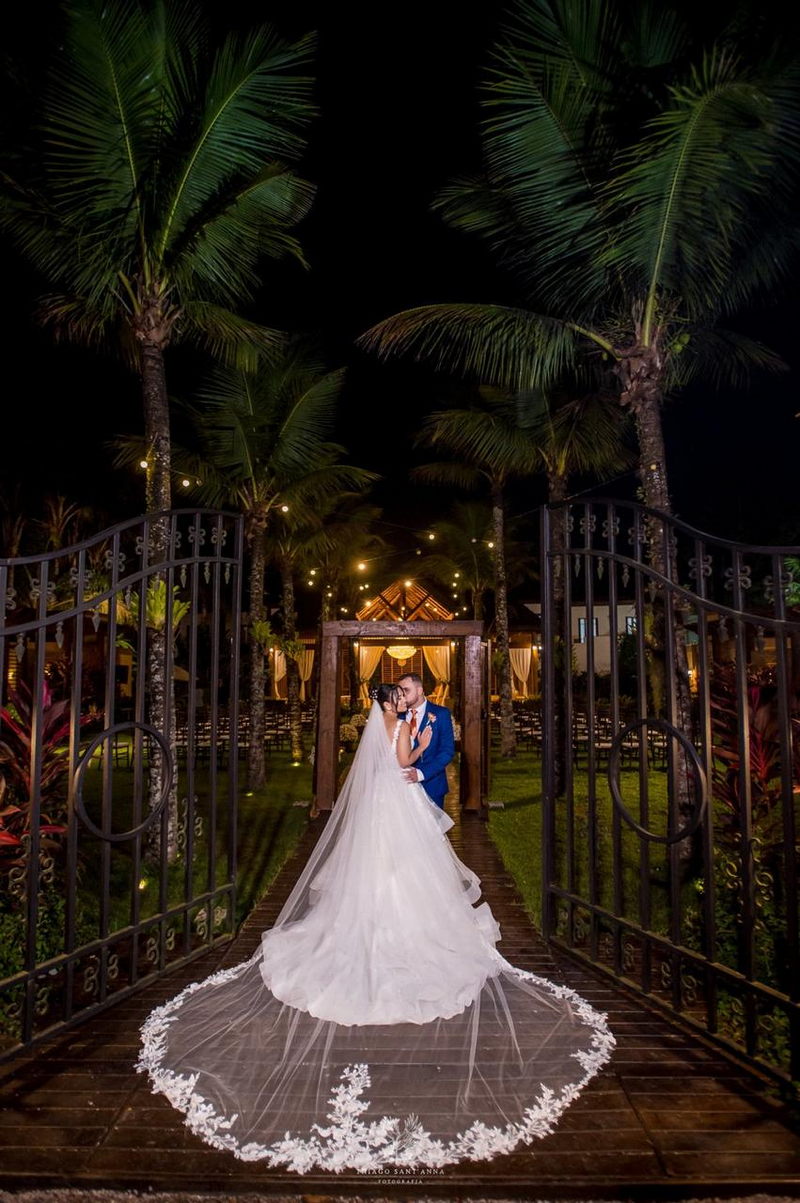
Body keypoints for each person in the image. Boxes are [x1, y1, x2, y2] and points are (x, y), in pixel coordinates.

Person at [137, 685, 614, 1174]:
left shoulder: (375, 725)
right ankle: (406, 924)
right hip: (401, 805)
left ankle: (368, 919)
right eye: (399, 697)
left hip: (378, 808)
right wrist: (420, 744)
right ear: (391, 703)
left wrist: (416, 746)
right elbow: (405, 759)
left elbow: (384, 763)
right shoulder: (401, 725)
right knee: (409, 869)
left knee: (373, 867)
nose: (404, 701)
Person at [396, 671, 454, 809]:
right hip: (401, 786)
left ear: (420, 690)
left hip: (432, 785)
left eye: (406, 690)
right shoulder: (397, 716)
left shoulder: (441, 714)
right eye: (400, 692)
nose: (402, 696)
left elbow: (447, 752)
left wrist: (422, 773)